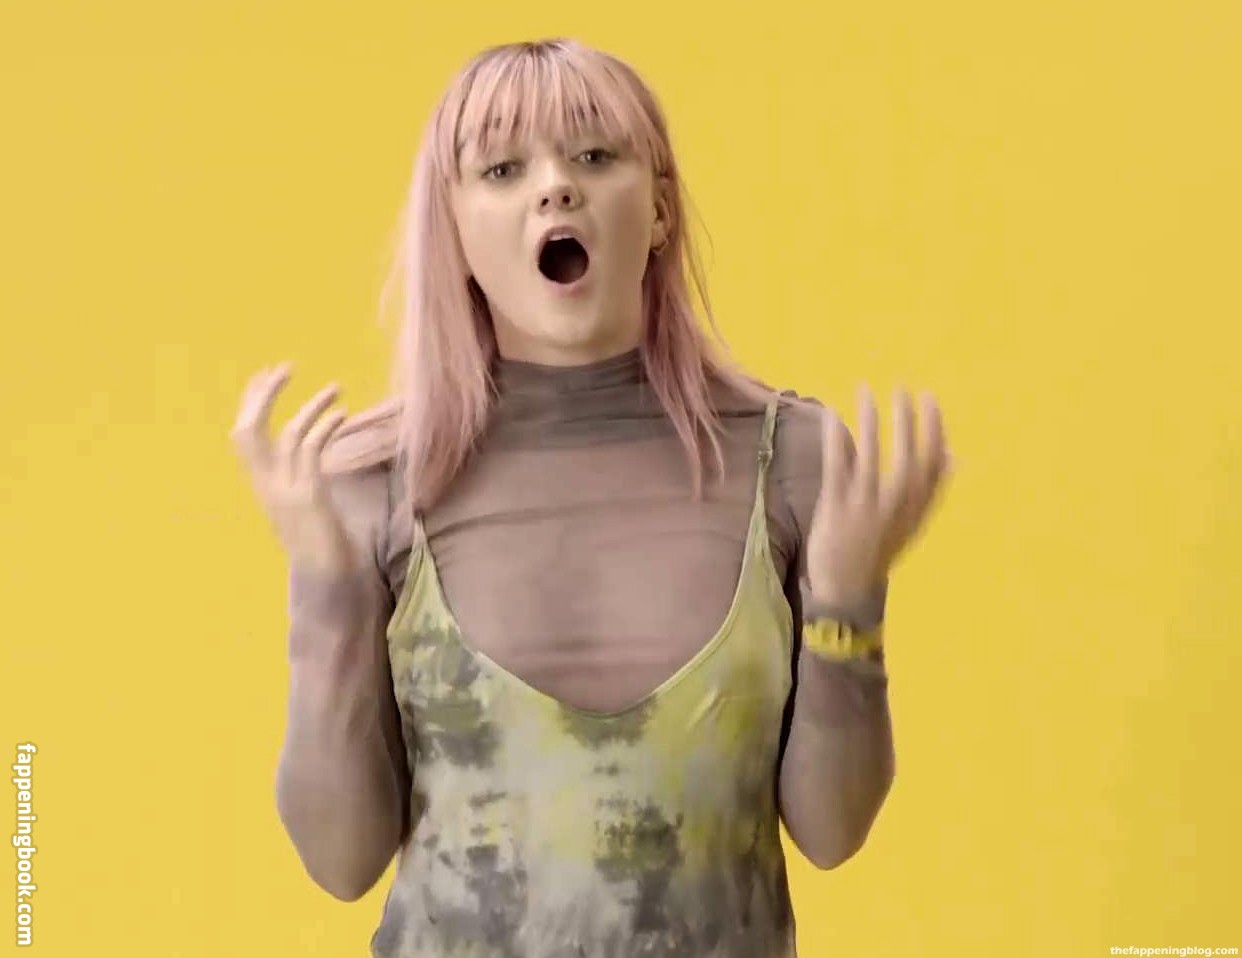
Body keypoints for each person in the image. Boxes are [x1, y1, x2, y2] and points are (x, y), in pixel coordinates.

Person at [231, 37, 950, 958]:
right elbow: (339, 860)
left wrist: (849, 597)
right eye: (502, 169)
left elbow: (834, 830)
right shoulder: (371, 485)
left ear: (659, 210)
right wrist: (325, 590)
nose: (555, 188)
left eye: (596, 155)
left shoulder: (795, 460)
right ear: (453, 230)